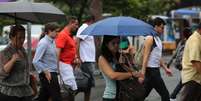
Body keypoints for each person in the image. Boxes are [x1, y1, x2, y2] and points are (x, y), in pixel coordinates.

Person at [98, 35, 141, 101]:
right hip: (111, 96)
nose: (116, 45)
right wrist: (131, 74)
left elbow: (131, 70)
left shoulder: (119, 56)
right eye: (113, 43)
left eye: (118, 43)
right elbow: (113, 75)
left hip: (123, 94)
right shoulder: (102, 58)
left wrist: (129, 58)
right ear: (106, 44)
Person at [139, 17, 172, 101]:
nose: (163, 30)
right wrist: (142, 73)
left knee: (142, 95)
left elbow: (158, 56)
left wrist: (165, 68)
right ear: (155, 26)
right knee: (165, 95)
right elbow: (145, 56)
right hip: (151, 71)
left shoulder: (157, 39)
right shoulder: (150, 38)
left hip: (154, 70)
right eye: (162, 28)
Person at [0, 25, 33, 101]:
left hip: (24, 91)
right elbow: (2, 73)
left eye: (24, 37)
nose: (22, 40)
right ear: (11, 37)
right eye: (19, 37)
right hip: (10, 93)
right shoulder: (5, 52)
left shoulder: (22, 50)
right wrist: (12, 60)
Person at [32, 23, 61, 101]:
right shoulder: (43, 43)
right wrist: (45, 70)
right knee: (57, 97)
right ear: (49, 31)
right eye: (56, 31)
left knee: (43, 97)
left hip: (52, 73)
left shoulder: (53, 41)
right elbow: (35, 61)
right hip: (48, 74)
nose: (58, 33)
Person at [55, 16, 79, 101]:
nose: (77, 26)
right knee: (68, 91)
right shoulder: (63, 35)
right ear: (70, 23)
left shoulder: (69, 35)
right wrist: (57, 69)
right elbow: (57, 52)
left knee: (71, 90)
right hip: (63, 66)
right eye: (76, 24)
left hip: (68, 65)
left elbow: (70, 49)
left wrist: (75, 58)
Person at [167, 28, 192, 101]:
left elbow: (175, 53)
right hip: (183, 64)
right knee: (185, 80)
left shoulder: (181, 41)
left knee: (185, 80)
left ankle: (173, 96)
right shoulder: (189, 42)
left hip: (179, 63)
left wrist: (169, 62)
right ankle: (173, 96)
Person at [76, 15, 96, 101]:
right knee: (83, 84)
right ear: (91, 21)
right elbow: (77, 41)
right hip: (85, 60)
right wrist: (78, 57)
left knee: (88, 85)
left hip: (89, 60)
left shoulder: (88, 28)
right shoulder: (84, 27)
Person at [180, 23, 201, 101]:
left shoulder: (198, 38)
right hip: (193, 79)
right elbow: (195, 61)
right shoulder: (195, 40)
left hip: (196, 79)